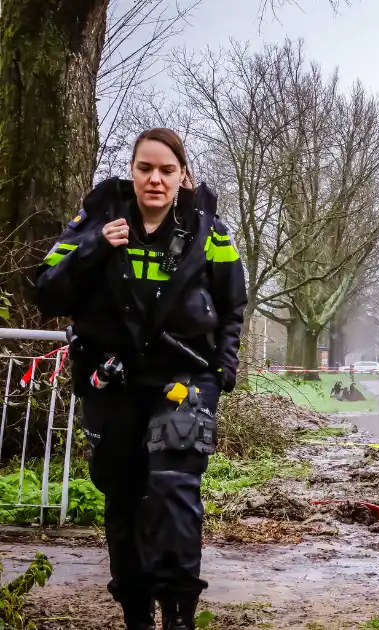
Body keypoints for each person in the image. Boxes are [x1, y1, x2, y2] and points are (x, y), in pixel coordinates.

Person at [34, 128, 247, 630]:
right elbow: (47, 292)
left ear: (182, 176)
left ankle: (178, 615)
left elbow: (233, 303)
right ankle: (137, 615)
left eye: (166, 170)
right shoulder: (97, 219)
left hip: (184, 378)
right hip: (114, 380)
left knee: (174, 485)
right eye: (145, 168)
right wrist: (94, 248)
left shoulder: (209, 230)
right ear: (131, 171)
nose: (155, 179)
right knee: (124, 492)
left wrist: (224, 370)